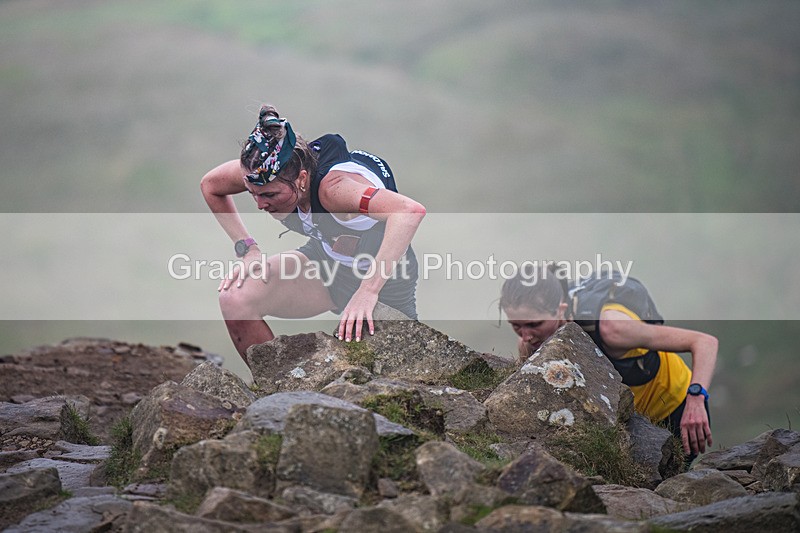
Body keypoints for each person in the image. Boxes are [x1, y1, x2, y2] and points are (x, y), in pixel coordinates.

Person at [201, 105, 426, 367]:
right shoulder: (262, 173)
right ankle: (275, 390)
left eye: (270, 195)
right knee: (235, 297)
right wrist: (248, 250)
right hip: (326, 264)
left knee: (399, 370)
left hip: (384, 281)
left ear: (302, 179)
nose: (261, 204)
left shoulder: (335, 190)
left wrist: (368, 290)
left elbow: (409, 212)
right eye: (253, 195)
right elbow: (211, 186)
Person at [499, 267, 717, 461]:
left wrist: (696, 398)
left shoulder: (612, 328)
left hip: (677, 407)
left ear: (561, 309)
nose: (526, 336)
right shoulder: (530, 344)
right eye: (516, 326)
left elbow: (704, 342)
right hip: (628, 419)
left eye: (534, 324)